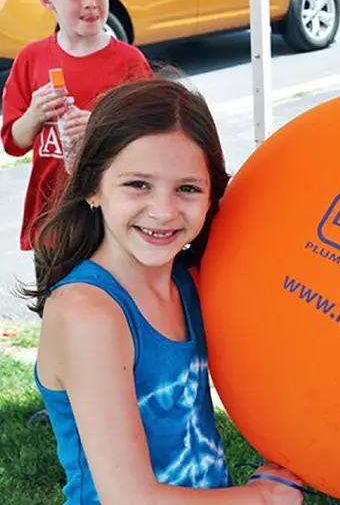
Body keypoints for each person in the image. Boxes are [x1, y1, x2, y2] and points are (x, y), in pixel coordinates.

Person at [20, 78, 304, 504]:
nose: (163, 211)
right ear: (93, 187)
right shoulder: (88, 313)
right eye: (138, 184)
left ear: (211, 196)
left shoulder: (189, 282)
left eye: (187, 188)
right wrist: (261, 499)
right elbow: (129, 496)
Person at [0, 0, 152, 287]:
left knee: (109, 307)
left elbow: (150, 141)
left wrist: (99, 129)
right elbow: (13, 141)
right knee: (56, 309)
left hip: (110, 221)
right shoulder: (32, 58)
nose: (90, 2)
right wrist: (34, 114)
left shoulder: (128, 62)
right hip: (51, 221)